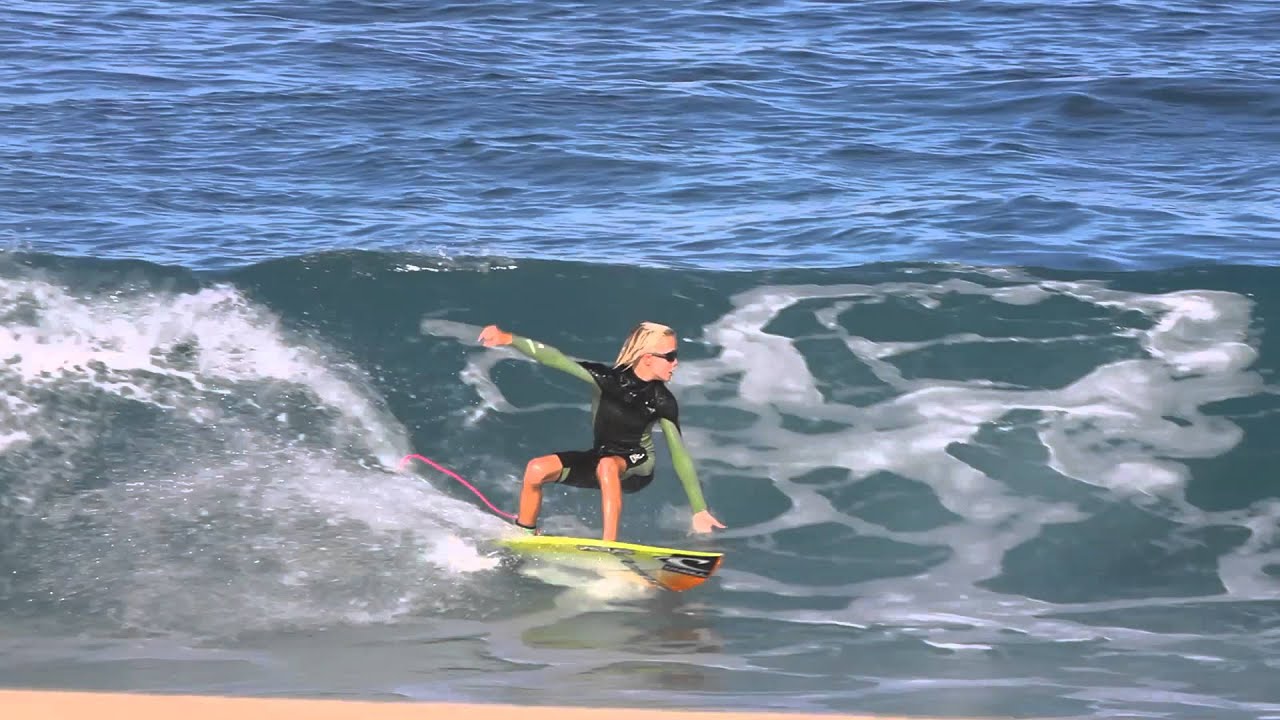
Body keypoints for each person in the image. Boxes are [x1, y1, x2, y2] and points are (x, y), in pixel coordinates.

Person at [478, 321, 725, 542]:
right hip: (602, 456)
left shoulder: (662, 401)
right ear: (648, 358)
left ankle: (609, 547)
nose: (676, 362)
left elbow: (679, 454)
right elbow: (556, 359)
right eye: (670, 356)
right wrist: (509, 339)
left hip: (637, 464)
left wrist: (699, 509)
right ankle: (525, 532)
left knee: (607, 465)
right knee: (536, 469)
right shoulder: (607, 380)